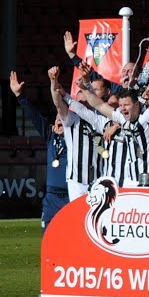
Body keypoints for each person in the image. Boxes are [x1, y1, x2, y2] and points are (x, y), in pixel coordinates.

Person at [11, 70, 67, 232]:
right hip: (51, 195)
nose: (59, 120)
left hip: (71, 194)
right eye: (57, 117)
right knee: (48, 234)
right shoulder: (50, 135)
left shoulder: (76, 138)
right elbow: (34, 116)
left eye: (62, 117)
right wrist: (20, 96)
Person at [47, 65, 109, 199]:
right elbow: (58, 103)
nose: (82, 105)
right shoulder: (71, 119)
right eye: (79, 102)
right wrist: (53, 81)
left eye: (85, 102)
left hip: (99, 179)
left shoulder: (100, 120)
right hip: (76, 182)